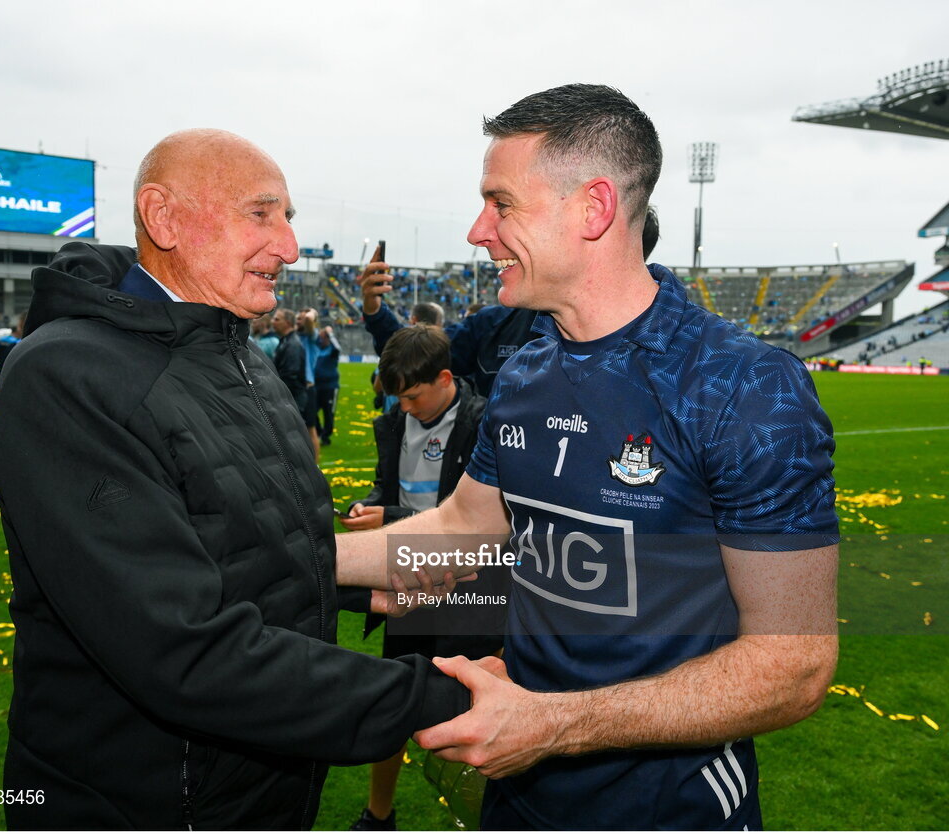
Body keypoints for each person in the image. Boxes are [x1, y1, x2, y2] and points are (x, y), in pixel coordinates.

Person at [338, 85, 839, 830]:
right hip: (520, 793)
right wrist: (310, 558)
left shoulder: (741, 387)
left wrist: (554, 723)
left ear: (593, 208)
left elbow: (792, 667)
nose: (479, 230)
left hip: (673, 810)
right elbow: (461, 530)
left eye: (500, 203)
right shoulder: (526, 371)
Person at [0, 129, 470, 830]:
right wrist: (447, 701)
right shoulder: (67, 376)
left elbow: (243, 545)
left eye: (290, 217)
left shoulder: (240, 356)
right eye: (261, 214)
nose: (290, 247)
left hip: (259, 782)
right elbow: (182, 648)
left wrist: (372, 580)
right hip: (143, 799)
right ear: (164, 218)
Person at [339, 325, 505, 831]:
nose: (406, 408)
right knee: (396, 702)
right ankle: (378, 814)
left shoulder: (486, 423)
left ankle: (492, 815)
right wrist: (371, 504)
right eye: (399, 399)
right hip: (407, 589)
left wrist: (389, 516)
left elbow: (472, 520)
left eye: (413, 395)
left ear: (446, 378)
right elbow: (389, 488)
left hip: (470, 590)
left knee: (476, 712)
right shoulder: (393, 422)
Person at [357, 206, 659, 397]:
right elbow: (414, 357)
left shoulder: (676, 355)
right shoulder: (494, 324)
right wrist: (374, 309)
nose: (480, 235)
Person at [297, 307, 322, 458]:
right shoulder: (294, 336)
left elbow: (308, 320)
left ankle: (315, 466)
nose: (298, 321)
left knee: (310, 429)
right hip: (294, 388)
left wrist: (312, 312)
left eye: (300, 318)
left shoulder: (312, 336)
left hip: (307, 389)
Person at [314, 324, 341, 446]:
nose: (321, 339)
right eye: (321, 337)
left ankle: (326, 436)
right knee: (312, 411)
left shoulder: (332, 350)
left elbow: (338, 348)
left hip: (330, 386)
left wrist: (330, 334)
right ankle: (319, 432)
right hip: (316, 386)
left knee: (328, 413)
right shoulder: (317, 348)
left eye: (324, 337)